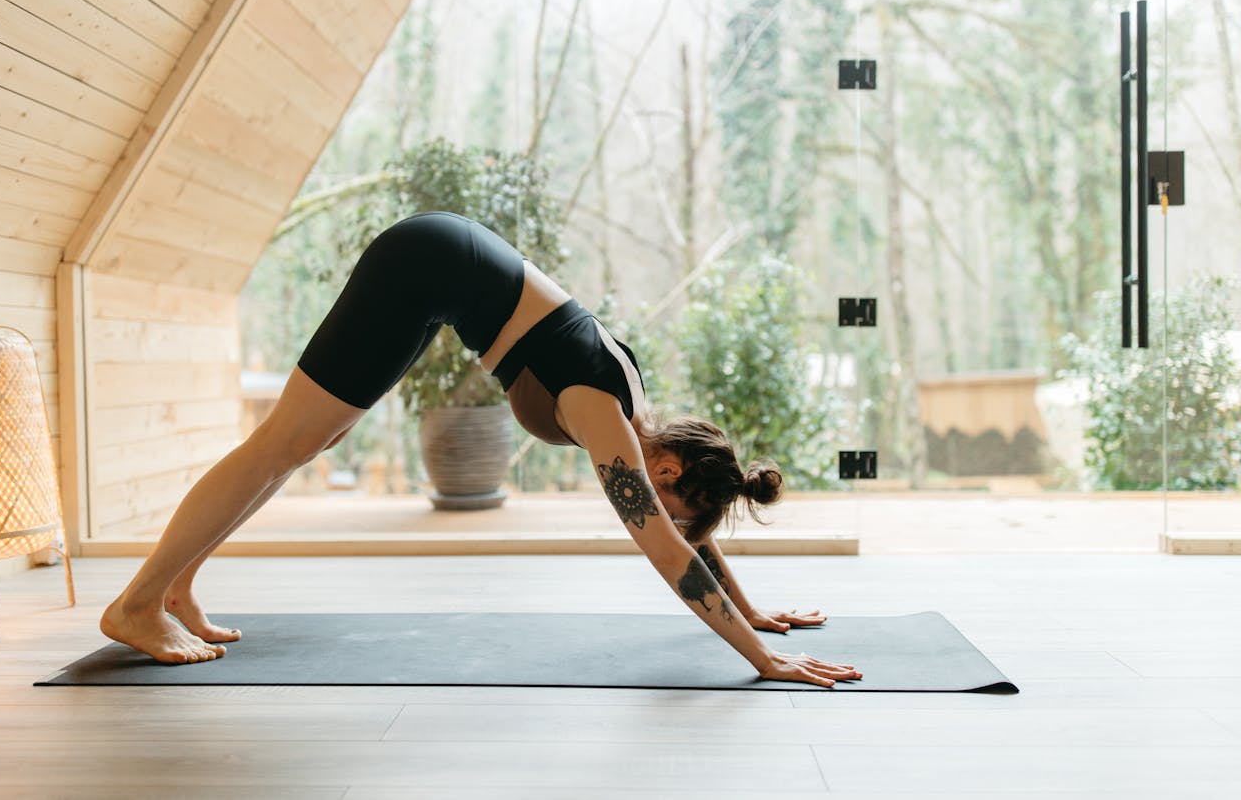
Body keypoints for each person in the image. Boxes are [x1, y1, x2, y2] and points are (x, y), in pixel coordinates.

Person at [99, 211, 862, 688]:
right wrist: (760, 662)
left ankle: (177, 588)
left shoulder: (638, 414)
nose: (663, 510)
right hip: (424, 267)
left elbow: (681, 535)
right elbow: (667, 549)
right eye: (674, 499)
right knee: (282, 443)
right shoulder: (603, 408)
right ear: (667, 470)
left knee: (308, 439)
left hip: (436, 265)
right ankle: (137, 602)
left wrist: (751, 612)